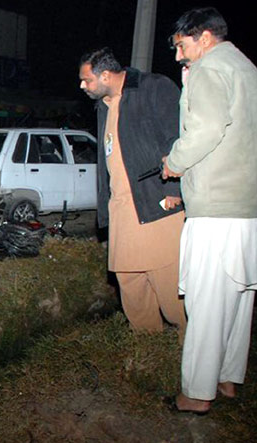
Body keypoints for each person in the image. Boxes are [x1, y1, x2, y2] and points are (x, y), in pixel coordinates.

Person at [161, 7, 257, 414]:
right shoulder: (246, 68)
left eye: (182, 46)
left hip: (218, 210)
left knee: (206, 304)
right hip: (248, 207)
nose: (178, 57)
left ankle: (196, 394)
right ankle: (226, 379)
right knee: (236, 301)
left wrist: (175, 161)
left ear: (204, 37)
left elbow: (205, 130)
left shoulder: (209, 69)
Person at [78, 48, 187, 342]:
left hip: (157, 202)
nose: (82, 86)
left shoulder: (154, 87)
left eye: (86, 80)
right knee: (131, 283)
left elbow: (176, 137)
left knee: (168, 283)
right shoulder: (104, 105)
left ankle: (188, 349)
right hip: (122, 210)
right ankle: (148, 346)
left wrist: (174, 189)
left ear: (105, 75)